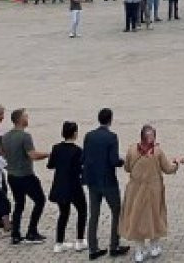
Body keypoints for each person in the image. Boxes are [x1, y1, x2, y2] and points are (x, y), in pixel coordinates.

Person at [120, 124, 180, 261]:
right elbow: (168, 169)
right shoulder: (157, 152)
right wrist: (176, 163)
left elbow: (127, 168)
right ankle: (154, 247)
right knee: (155, 216)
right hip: (154, 189)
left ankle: (139, 250)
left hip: (135, 189)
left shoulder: (131, 149)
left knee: (137, 217)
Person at [83, 108, 128, 260]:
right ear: (110, 120)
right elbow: (113, 160)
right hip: (108, 181)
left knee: (93, 214)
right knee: (116, 211)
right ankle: (114, 245)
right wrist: (122, 162)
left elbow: (85, 157)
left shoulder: (89, 136)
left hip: (92, 180)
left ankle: (92, 248)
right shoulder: (112, 137)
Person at [5, 108, 50, 245]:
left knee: (19, 204)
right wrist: (49, 154)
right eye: (26, 116)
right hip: (25, 175)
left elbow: (3, 153)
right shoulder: (25, 136)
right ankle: (32, 231)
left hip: (12, 175)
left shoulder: (6, 136)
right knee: (40, 200)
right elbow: (33, 155)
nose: (27, 118)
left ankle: (16, 234)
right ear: (19, 119)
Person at [48, 121, 87, 253]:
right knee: (82, 211)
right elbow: (80, 169)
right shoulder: (77, 151)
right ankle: (79, 241)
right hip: (74, 185)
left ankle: (59, 243)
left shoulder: (56, 148)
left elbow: (50, 165)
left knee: (63, 214)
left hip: (59, 185)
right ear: (75, 133)